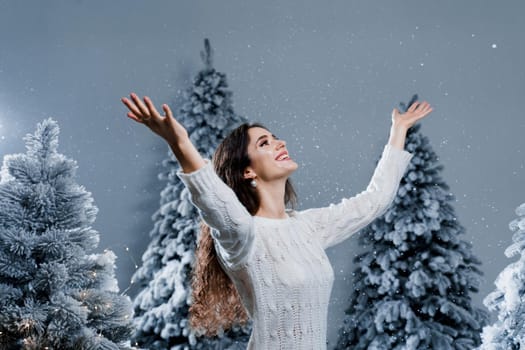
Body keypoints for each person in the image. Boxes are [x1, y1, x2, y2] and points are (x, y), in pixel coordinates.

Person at [121, 93, 432, 349]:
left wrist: (398, 130)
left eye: (276, 138)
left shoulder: (307, 227)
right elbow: (218, 206)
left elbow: (373, 201)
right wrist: (181, 145)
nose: (280, 143)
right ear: (247, 171)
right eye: (264, 143)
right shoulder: (243, 236)